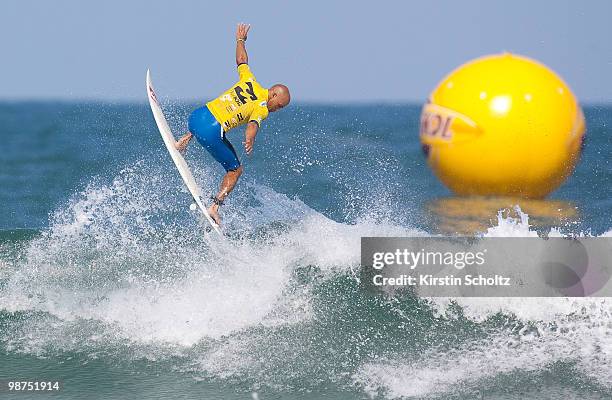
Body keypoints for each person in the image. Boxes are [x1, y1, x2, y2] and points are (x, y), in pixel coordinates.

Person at [175, 23, 290, 225]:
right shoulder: (262, 107)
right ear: (273, 94)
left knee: (215, 122)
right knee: (236, 170)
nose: (276, 110)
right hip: (211, 131)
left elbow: (241, 60)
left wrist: (240, 40)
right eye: (278, 105)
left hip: (196, 117)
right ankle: (215, 207)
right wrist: (250, 139)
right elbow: (253, 125)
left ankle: (185, 139)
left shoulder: (250, 81)